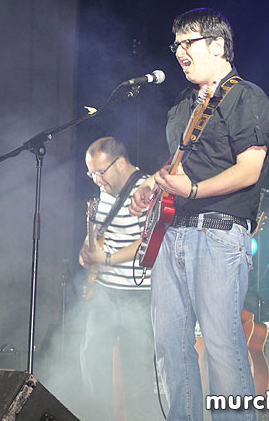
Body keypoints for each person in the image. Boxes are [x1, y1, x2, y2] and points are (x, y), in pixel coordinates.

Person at [129, 8, 269, 421]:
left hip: (218, 233)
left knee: (222, 346)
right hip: (172, 233)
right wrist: (152, 186)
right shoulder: (183, 103)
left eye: (187, 42)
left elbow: (249, 169)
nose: (179, 51)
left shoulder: (247, 97)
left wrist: (193, 190)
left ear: (217, 45)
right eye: (175, 44)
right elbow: (181, 162)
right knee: (170, 347)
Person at [79, 137, 161, 421]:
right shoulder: (105, 191)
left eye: (100, 172)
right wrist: (87, 248)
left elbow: (148, 242)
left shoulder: (144, 191)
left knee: (137, 373)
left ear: (121, 163)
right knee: (91, 360)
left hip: (137, 296)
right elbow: (102, 228)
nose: (96, 180)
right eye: (91, 174)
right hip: (104, 292)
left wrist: (108, 259)